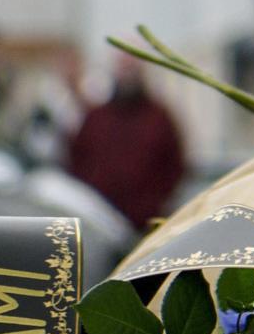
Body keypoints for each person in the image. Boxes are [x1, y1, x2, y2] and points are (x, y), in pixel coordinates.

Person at [64, 54, 188, 233]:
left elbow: (176, 165)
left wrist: (155, 202)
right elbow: (76, 160)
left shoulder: (160, 118)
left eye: (132, 68)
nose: (128, 75)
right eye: (124, 68)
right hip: (100, 221)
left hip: (146, 223)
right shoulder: (96, 118)